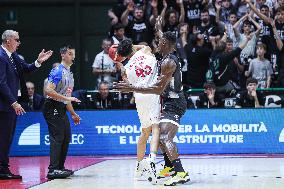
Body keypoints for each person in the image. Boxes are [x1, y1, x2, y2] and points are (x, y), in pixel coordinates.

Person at [115, 31, 190, 186]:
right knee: (158, 135)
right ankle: (169, 167)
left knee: (163, 137)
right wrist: (158, 29)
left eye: (160, 41)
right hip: (167, 100)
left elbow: (157, 89)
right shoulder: (163, 55)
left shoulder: (168, 62)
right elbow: (160, 40)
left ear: (166, 44)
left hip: (174, 102)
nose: (158, 43)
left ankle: (180, 173)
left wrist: (132, 87)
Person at [0, 30, 53, 179]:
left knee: (7, 137)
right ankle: (2, 169)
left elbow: (26, 69)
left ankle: (3, 168)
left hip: (9, 105)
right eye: (17, 40)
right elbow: (1, 83)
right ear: (8, 40)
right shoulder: (1, 57)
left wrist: (39, 61)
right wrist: (13, 102)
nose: (19, 42)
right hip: (4, 106)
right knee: (4, 137)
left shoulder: (12, 56)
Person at [112, 40, 161, 184]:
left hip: (139, 97)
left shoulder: (125, 69)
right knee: (156, 127)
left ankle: (139, 165)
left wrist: (120, 61)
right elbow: (144, 47)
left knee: (145, 132)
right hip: (152, 93)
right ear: (132, 47)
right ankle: (151, 159)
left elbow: (128, 85)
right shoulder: (145, 50)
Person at [43, 45, 81, 179]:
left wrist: (72, 113)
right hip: (51, 105)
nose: (73, 56)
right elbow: (48, 90)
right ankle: (52, 170)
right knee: (57, 137)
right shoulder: (57, 70)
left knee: (66, 137)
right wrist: (66, 99)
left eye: (73, 54)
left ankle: (60, 167)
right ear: (63, 55)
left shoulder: (70, 74)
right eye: (70, 54)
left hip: (61, 107)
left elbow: (67, 98)